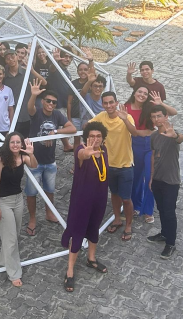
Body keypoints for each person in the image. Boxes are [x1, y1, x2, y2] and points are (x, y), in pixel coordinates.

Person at [61, 122, 109, 292]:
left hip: (99, 198)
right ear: (86, 137)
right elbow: (82, 155)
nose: (95, 139)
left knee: (94, 227)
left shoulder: (104, 151)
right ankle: (70, 270)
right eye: (92, 136)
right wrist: (86, 153)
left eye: (98, 136)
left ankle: (91, 258)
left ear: (103, 137)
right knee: (78, 231)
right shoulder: (81, 150)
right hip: (82, 199)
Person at [25, 80, 76, 235]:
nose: (51, 104)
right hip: (34, 161)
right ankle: (32, 218)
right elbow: (30, 108)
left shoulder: (57, 115)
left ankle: (49, 213)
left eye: (54, 102)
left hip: (50, 161)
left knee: (50, 190)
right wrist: (33, 95)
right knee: (31, 192)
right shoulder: (37, 113)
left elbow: (72, 128)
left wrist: (56, 132)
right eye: (48, 101)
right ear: (43, 101)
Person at [122, 88, 177, 224]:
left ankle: (148, 210)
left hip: (152, 143)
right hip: (135, 144)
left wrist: (161, 104)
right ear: (134, 93)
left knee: (150, 176)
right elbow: (130, 130)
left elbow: (173, 113)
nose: (142, 95)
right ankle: (136, 205)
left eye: (145, 94)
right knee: (135, 176)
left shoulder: (151, 106)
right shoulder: (126, 107)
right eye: (139, 92)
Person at [89, 92, 135, 241]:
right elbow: (88, 126)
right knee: (114, 194)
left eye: (111, 102)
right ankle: (117, 219)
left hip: (125, 165)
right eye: (105, 103)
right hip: (108, 165)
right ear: (102, 104)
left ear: (116, 103)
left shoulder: (126, 117)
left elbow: (134, 133)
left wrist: (125, 119)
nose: (108, 106)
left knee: (126, 199)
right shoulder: (101, 117)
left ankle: (128, 225)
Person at [0, 133, 37, 287]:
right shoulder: (1, 160)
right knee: (11, 238)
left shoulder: (23, 157)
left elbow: (34, 165)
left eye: (18, 142)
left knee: (14, 233)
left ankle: (3, 260)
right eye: (13, 142)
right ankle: (14, 273)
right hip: (4, 202)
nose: (16, 145)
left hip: (18, 199)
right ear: (8, 143)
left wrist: (31, 153)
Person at [146, 105, 183, 259]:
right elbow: (154, 157)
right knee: (161, 209)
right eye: (154, 117)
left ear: (166, 116)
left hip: (171, 181)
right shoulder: (154, 136)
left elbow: (181, 138)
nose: (157, 120)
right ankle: (164, 233)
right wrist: (151, 178)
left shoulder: (173, 133)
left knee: (169, 212)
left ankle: (171, 243)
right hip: (157, 179)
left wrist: (174, 136)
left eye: (159, 116)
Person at [3, 49, 47, 139]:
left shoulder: (26, 72)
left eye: (12, 56)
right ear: (5, 61)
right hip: (11, 115)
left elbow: (44, 82)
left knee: (27, 141)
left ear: (17, 56)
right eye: (7, 58)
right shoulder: (4, 76)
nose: (11, 59)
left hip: (27, 113)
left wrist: (32, 71)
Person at [47, 46, 75, 152]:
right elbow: (52, 69)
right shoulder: (56, 68)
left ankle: (66, 144)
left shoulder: (66, 71)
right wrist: (55, 60)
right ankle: (64, 145)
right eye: (65, 56)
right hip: (57, 103)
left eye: (70, 57)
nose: (67, 59)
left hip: (64, 102)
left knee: (62, 124)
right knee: (63, 124)